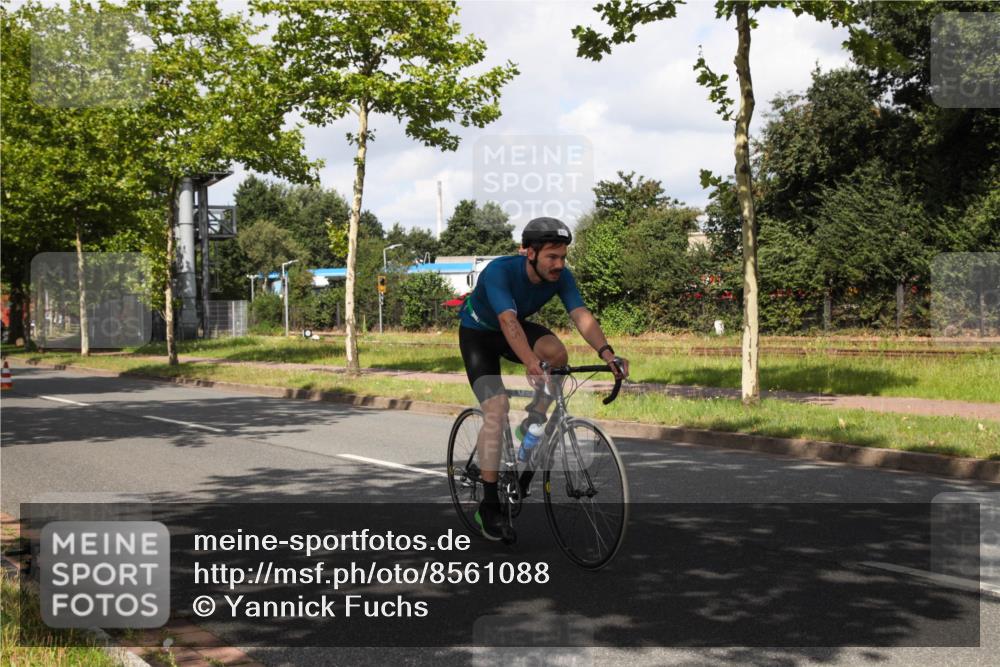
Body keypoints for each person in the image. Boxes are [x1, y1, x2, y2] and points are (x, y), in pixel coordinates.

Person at [458, 216, 629, 541]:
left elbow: (581, 314)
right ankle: (489, 507)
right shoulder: (500, 272)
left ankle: (534, 422)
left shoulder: (560, 277)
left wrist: (607, 354)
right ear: (529, 253)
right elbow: (508, 322)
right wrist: (530, 362)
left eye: (563, 257)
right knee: (496, 409)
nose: (559, 264)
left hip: (514, 329)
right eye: (552, 256)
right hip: (479, 335)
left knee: (558, 354)